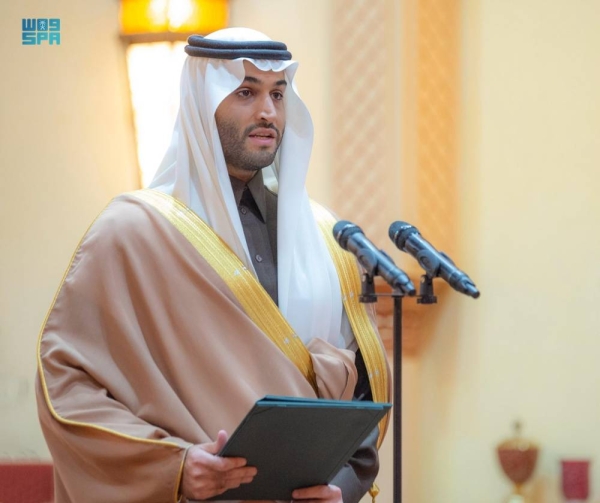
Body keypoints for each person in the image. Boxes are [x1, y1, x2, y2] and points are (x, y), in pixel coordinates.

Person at [36, 28, 390, 503]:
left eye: (278, 94)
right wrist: (173, 467)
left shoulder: (324, 237)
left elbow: (362, 389)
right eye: (246, 92)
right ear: (203, 103)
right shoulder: (133, 232)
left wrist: (341, 488)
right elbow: (67, 383)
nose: (268, 112)